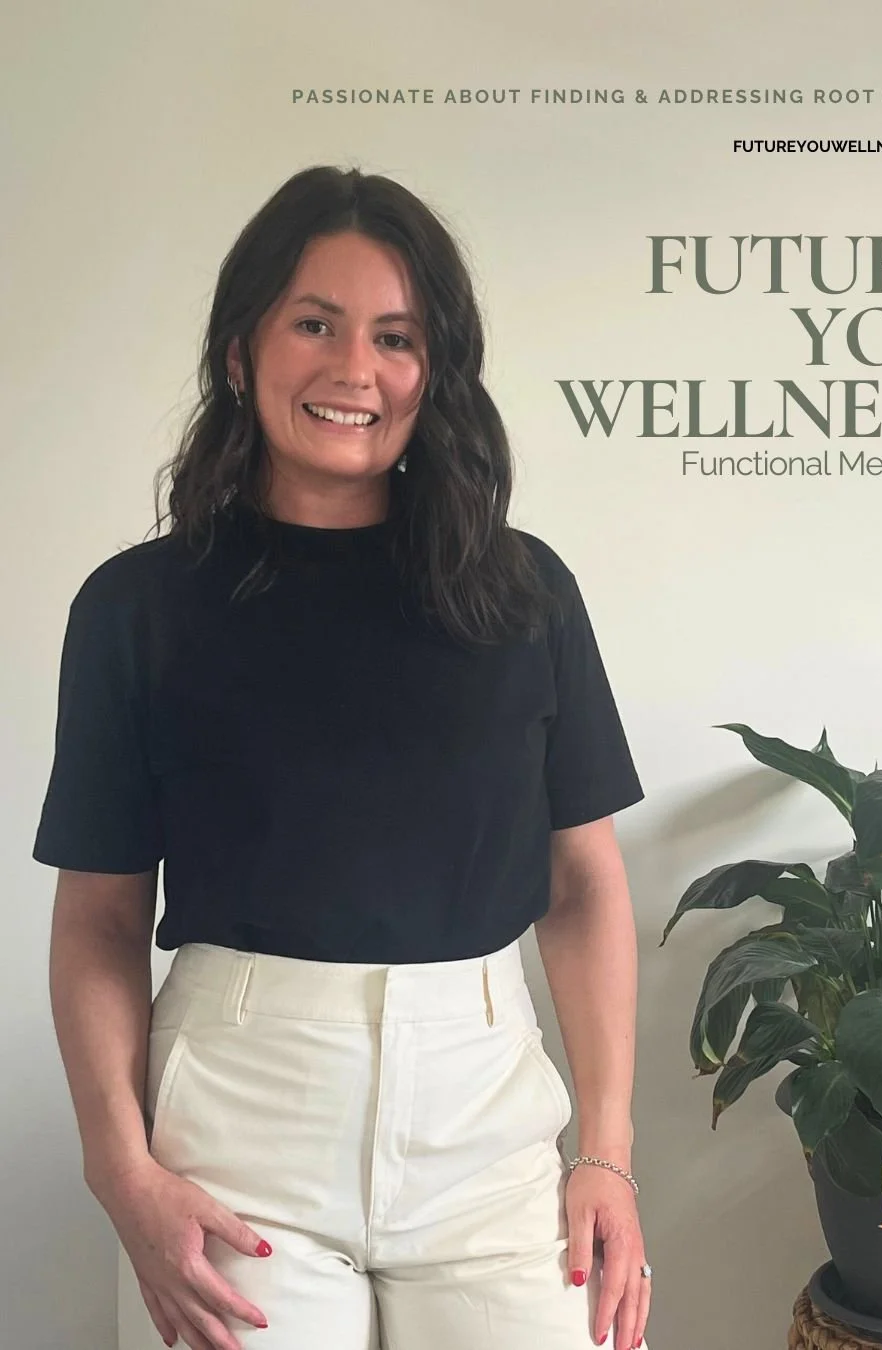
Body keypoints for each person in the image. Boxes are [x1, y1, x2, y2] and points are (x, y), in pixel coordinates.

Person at [33, 164, 651, 1350]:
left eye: (397, 337)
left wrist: (608, 1155)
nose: (355, 370)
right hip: (237, 1121)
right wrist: (122, 1171)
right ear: (239, 348)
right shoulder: (138, 608)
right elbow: (100, 921)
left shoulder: (524, 594)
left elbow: (583, 887)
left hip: (490, 1122)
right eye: (315, 323)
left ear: (435, 371)